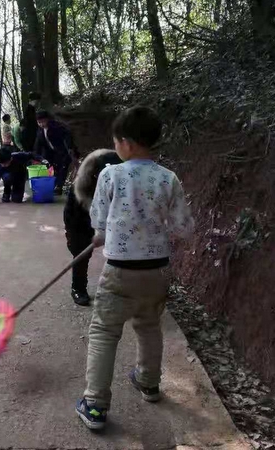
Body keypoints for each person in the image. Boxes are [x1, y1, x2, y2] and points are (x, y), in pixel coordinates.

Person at [76, 106, 194, 431]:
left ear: (126, 143)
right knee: (149, 325)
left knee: (104, 331)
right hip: (156, 272)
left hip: (120, 271)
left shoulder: (111, 175)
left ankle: (95, 405)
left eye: (116, 142)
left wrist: (102, 233)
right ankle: (149, 382)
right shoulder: (168, 178)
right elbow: (183, 227)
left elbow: (98, 219)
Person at [64, 149, 122, 307]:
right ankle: (78, 289)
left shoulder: (125, 181)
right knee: (80, 254)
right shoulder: (81, 186)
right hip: (83, 221)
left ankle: (119, 290)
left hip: (116, 222)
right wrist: (72, 236)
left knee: (120, 256)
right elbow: (70, 215)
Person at [35, 110, 78, 195]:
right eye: (39, 122)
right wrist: (36, 155)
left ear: (47, 119)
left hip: (62, 151)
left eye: (43, 121)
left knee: (62, 168)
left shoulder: (56, 127)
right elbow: (38, 144)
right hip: (50, 152)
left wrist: (70, 147)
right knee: (52, 168)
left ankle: (59, 186)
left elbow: (67, 135)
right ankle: (54, 184)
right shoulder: (40, 131)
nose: (41, 124)